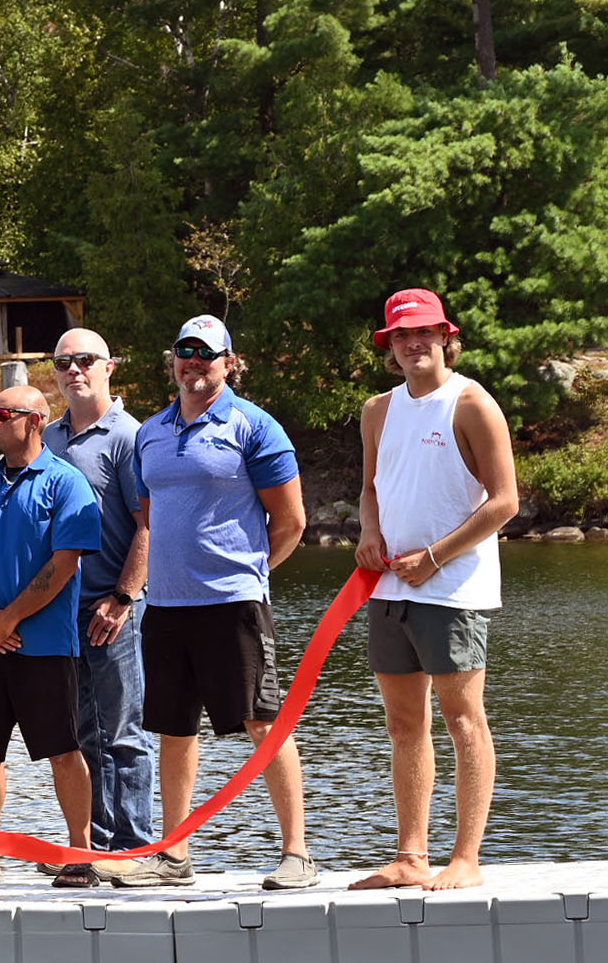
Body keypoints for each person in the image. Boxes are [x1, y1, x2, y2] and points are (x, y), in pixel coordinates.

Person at [95, 315, 316, 891]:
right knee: (173, 729)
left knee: (263, 721)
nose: (194, 361)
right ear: (173, 359)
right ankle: (173, 855)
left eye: (206, 353)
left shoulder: (255, 427)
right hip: (167, 606)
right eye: (184, 351)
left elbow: (291, 521)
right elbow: (150, 517)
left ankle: (297, 854)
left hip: (234, 603)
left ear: (228, 362)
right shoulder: (150, 433)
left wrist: (250, 571)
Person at [349, 289, 518, 891]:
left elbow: (504, 502)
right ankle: (411, 856)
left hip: (452, 591)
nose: (414, 343)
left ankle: (466, 859)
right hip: (390, 587)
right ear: (389, 346)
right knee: (403, 724)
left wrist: (436, 556)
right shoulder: (377, 410)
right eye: (401, 335)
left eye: (425, 332)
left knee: (464, 719)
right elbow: (371, 489)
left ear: (447, 337)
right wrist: (369, 533)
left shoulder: (472, 403)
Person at [0, 385, 103, 888]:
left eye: (1, 414)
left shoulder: (66, 482)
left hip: (45, 646)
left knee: (63, 748)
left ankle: (79, 852)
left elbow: (64, 564)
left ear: (35, 421)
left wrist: (9, 619)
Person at [43, 329, 156, 854]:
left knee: (125, 732)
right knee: (81, 733)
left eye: (85, 360)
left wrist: (124, 597)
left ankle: (136, 846)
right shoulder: (48, 438)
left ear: (109, 367)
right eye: (63, 362)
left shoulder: (130, 437)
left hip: (114, 609)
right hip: (61, 611)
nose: (74, 370)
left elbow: (148, 524)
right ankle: (94, 844)